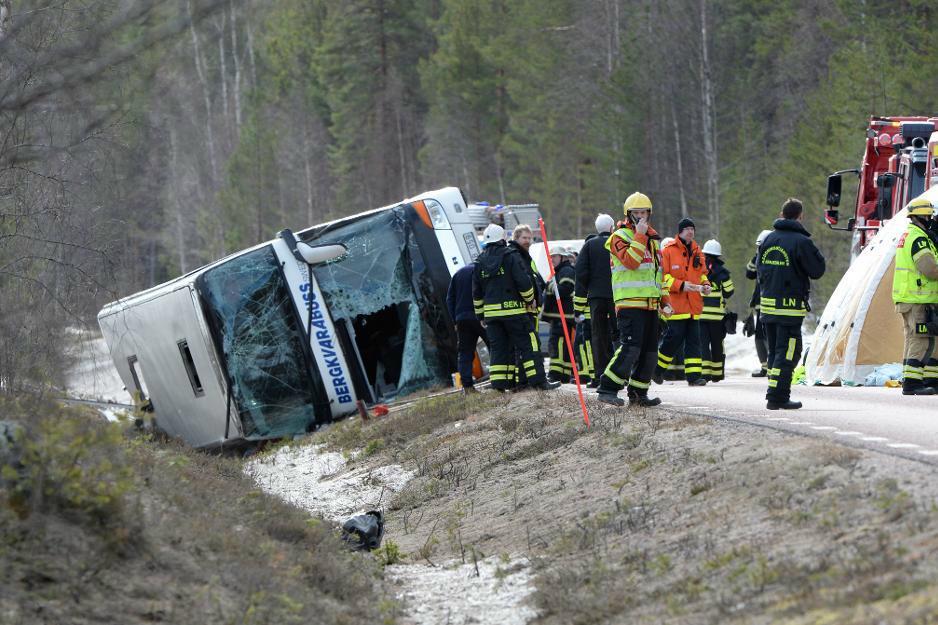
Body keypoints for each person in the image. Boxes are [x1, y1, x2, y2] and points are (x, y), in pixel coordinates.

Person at [597, 192, 671, 407]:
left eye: (644, 213)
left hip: (651, 305)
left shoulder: (653, 241)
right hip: (629, 303)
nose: (641, 217)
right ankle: (607, 388)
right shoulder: (618, 237)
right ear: (628, 215)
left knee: (649, 353)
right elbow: (631, 262)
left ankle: (639, 394)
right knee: (631, 348)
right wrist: (639, 236)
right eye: (636, 213)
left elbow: (658, 274)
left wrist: (665, 299)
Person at [473, 224, 560, 392]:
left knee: (499, 350)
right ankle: (539, 382)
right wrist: (530, 300)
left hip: (492, 317)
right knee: (529, 345)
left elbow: (476, 293)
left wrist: (481, 316)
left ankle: (499, 387)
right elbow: (523, 282)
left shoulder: (479, 261)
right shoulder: (511, 256)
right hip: (515, 313)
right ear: (502, 239)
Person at [757, 198, 826, 409]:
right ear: (800, 216)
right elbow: (817, 270)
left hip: (768, 307)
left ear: (782, 213)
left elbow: (759, 270)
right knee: (788, 353)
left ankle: (775, 394)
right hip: (788, 309)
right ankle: (777, 397)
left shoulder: (768, 239)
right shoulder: (801, 242)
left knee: (775, 354)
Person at [654, 217, 710, 386]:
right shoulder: (668, 251)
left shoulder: (698, 251)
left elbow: (702, 273)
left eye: (692, 229)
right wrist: (681, 285)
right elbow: (664, 277)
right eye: (687, 229)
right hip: (677, 305)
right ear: (680, 232)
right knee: (673, 339)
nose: (690, 231)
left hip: (694, 306)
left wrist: (706, 284)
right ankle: (657, 370)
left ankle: (694, 377)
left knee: (694, 341)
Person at [891, 197, 938, 395]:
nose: (930, 219)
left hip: (910, 299)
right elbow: (930, 269)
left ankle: (926, 379)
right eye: (928, 215)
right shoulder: (919, 239)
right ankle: (912, 383)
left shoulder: (909, 235)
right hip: (918, 299)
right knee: (920, 339)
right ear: (920, 216)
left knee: (916, 339)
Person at [574, 213, 616, 388]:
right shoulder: (618, 243)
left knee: (598, 337)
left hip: (596, 299)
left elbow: (581, 276)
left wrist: (578, 307)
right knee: (620, 335)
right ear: (612, 228)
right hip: (618, 297)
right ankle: (621, 375)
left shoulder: (589, 246)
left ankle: (600, 377)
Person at [509, 224, 546, 389]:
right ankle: (529, 382)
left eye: (529, 238)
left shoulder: (526, 256)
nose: (528, 241)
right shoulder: (516, 255)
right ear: (516, 238)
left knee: (530, 345)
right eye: (524, 238)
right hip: (524, 309)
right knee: (529, 346)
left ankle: (526, 382)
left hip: (531, 309)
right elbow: (523, 281)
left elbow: (536, 279)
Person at [446, 261, 489, 393]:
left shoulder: (458, 274)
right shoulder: (481, 270)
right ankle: (501, 380)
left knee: (465, 353)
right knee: (495, 346)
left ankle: (468, 387)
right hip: (480, 316)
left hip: (462, 319)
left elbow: (449, 299)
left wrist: (455, 321)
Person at [700, 239, 734, 382]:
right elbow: (729, 292)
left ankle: (705, 374)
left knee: (703, 345)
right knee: (717, 345)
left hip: (700, 315)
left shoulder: (698, 269)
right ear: (718, 255)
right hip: (717, 317)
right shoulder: (723, 273)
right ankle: (717, 374)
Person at [542, 245, 576, 383]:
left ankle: (556, 374)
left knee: (557, 345)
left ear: (562, 257)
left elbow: (565, 289)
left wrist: (549, 286)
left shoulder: (566, 270)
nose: (552, 259)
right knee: (562, 346)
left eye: (554, 256)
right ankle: (564, 374)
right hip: (560, 317)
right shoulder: (560, 271)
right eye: (550, 257)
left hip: (562, 316)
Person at [743, 230, 773, 377]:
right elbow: (749, 273)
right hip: (760, 304)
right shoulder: (759, 256)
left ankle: (772, 367)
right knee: (760, 337)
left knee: (770, 336)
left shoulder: (774, 256)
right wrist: (757, 255)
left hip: (770, 303)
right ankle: (765, 367)